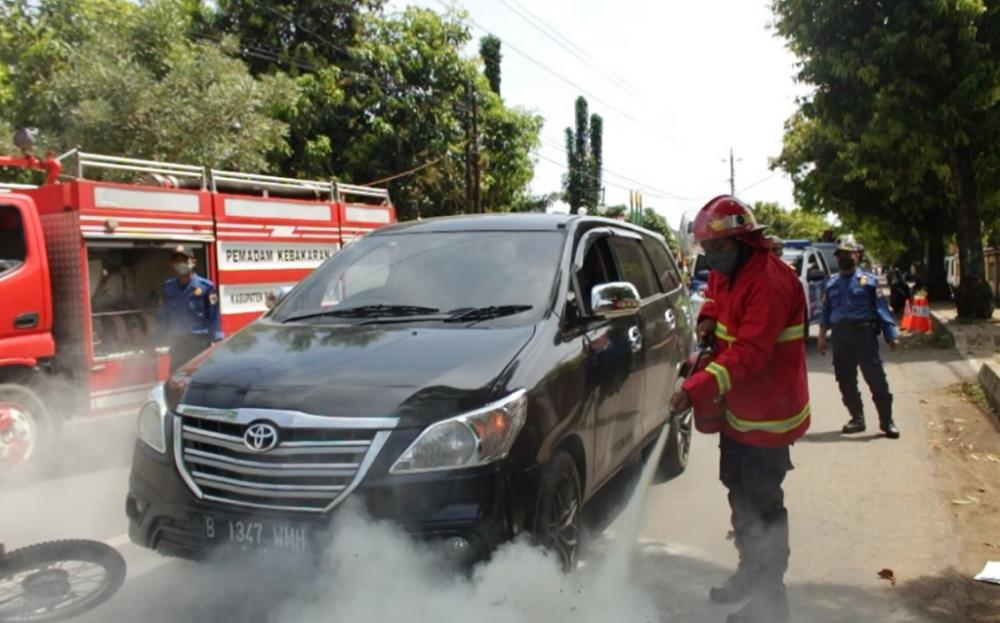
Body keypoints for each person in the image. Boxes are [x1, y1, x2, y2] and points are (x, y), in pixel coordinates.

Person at [669, 195, 809, 623]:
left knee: (764, 504)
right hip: (739, 412)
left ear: (742, 241)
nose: (710, 260)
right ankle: (751, 572)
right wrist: (708, 317)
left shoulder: (769, 281)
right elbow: (714, 294)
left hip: (769, 415)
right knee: (740, 494)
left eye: (716, 250)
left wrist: (695, 388)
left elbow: (750, 353)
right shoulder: (730, 271)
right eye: (705, 252)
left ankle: (771, 601)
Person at [817, 243, 900, 438]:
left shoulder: (869, 282)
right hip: (840, 336)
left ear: (857, 256)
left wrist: (891, 336)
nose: (844, 258)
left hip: (864, 335)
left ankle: (887, 421)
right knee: (845, 380)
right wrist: (822, 337)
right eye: (840, 255)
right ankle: (857, 418)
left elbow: (882, 310)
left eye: (848, 254)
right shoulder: (831, 283)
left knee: (876, 379)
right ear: (836, 259)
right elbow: (826, 312)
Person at [156, 245, 223, 371]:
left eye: (184, 260)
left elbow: (214, 316)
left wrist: (217, 339)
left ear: (193, 262)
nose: (180, 263)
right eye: (176, 260)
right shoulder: (168, 288)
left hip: (199, 344)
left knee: (198, 379)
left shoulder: (206, 287)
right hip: (177, 343)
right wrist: (160, 339)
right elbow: (162, 315)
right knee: (176, 379)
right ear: (171, 264)